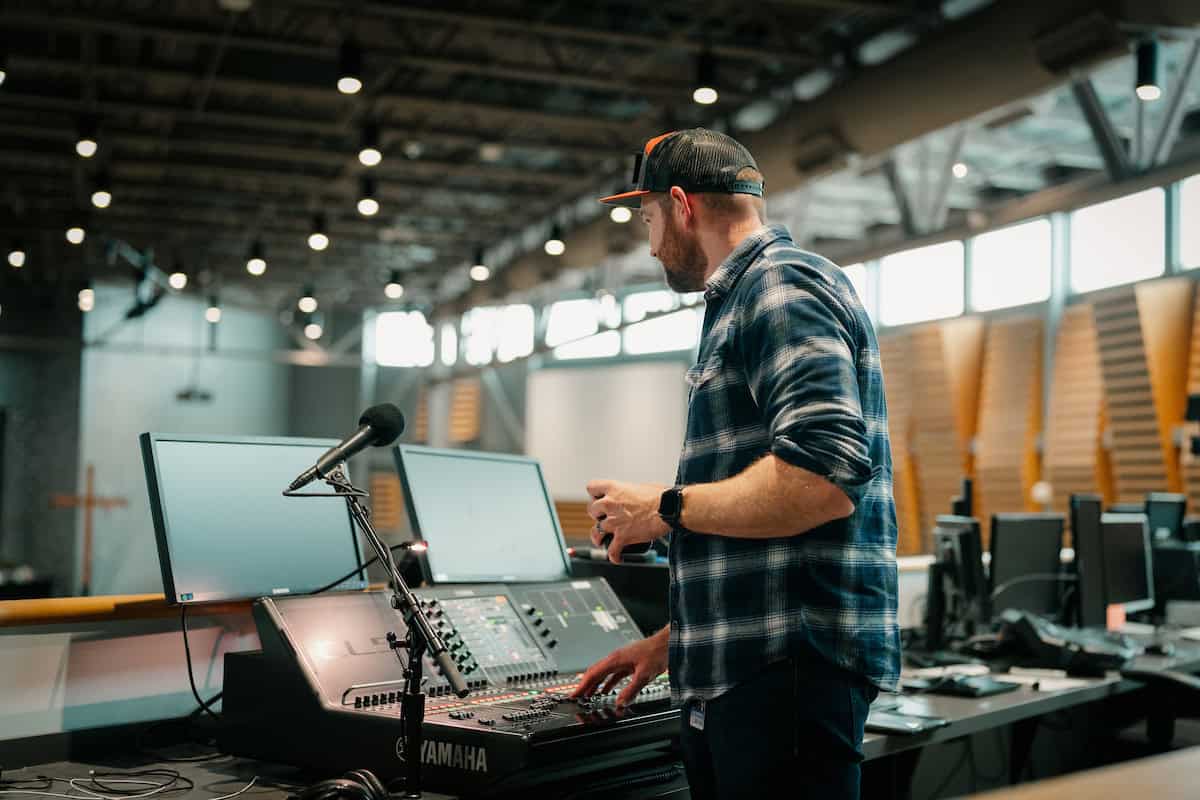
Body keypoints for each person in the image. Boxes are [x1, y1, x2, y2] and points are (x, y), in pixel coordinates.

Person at [570, 129, 900, 800]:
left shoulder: (779, 289)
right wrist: (673, 642)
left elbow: (825, 478)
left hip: (785, 677)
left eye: (648, 217)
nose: (650, 240)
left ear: (682, 204)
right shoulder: (745, 300)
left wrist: (664, 507)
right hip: (753, 671)